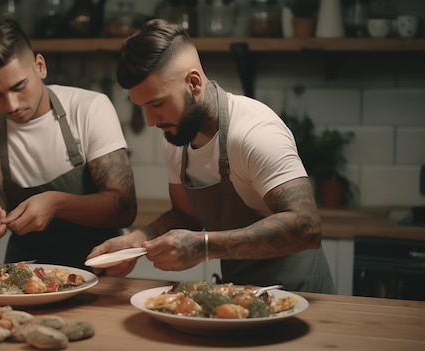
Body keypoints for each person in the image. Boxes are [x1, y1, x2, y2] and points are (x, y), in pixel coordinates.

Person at [87, 19, 335, 293]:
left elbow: (306, 227)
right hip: (241, 298)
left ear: (194, 83)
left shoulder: (254, 132)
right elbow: (186, 215)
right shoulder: (177, 138)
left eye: (157, 103)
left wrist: (204, 246)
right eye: (143, 107)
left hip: (300, 296)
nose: (150, 121)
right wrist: (136, 240)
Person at [0, 13, 137, 270]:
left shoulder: (89, 108)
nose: (11, 105)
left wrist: (56, 204)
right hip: (23, 275)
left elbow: (124, 207)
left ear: (40, 66)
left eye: (19, 86)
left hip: (100, 268)